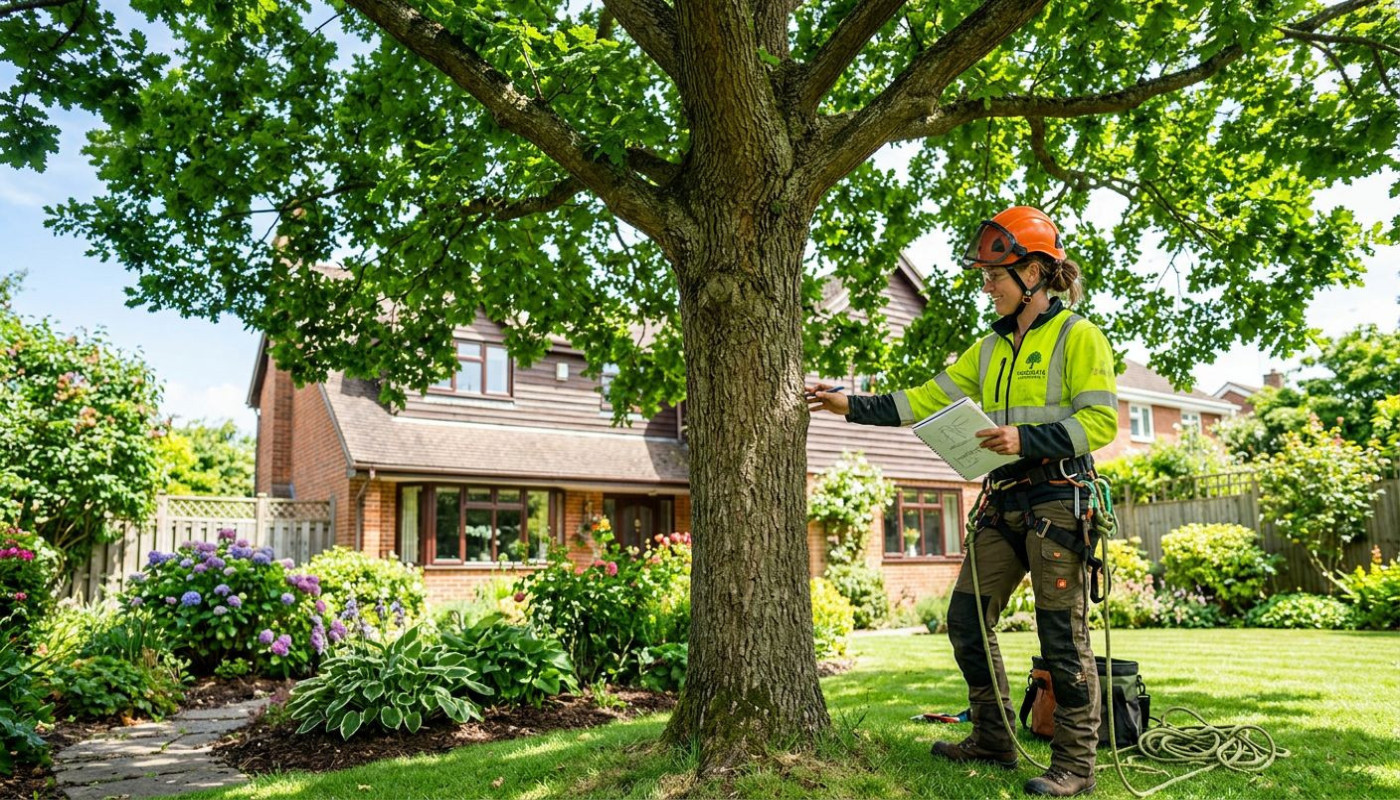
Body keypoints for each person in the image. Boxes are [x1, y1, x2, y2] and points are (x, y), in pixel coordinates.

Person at [807, 206, 1118, 797]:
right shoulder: (988, 349)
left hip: (1059, 499)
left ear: (1034, 274)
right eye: (984, 276)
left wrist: (1025, 439)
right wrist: (847, 403)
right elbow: (923, 400)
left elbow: (1101, 421)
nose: (987, 287)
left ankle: (1075, 765)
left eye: (995, 277)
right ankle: (996, 737)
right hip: (1001, 500)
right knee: (967, 622)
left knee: (1060, 636)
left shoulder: (1080, 337)